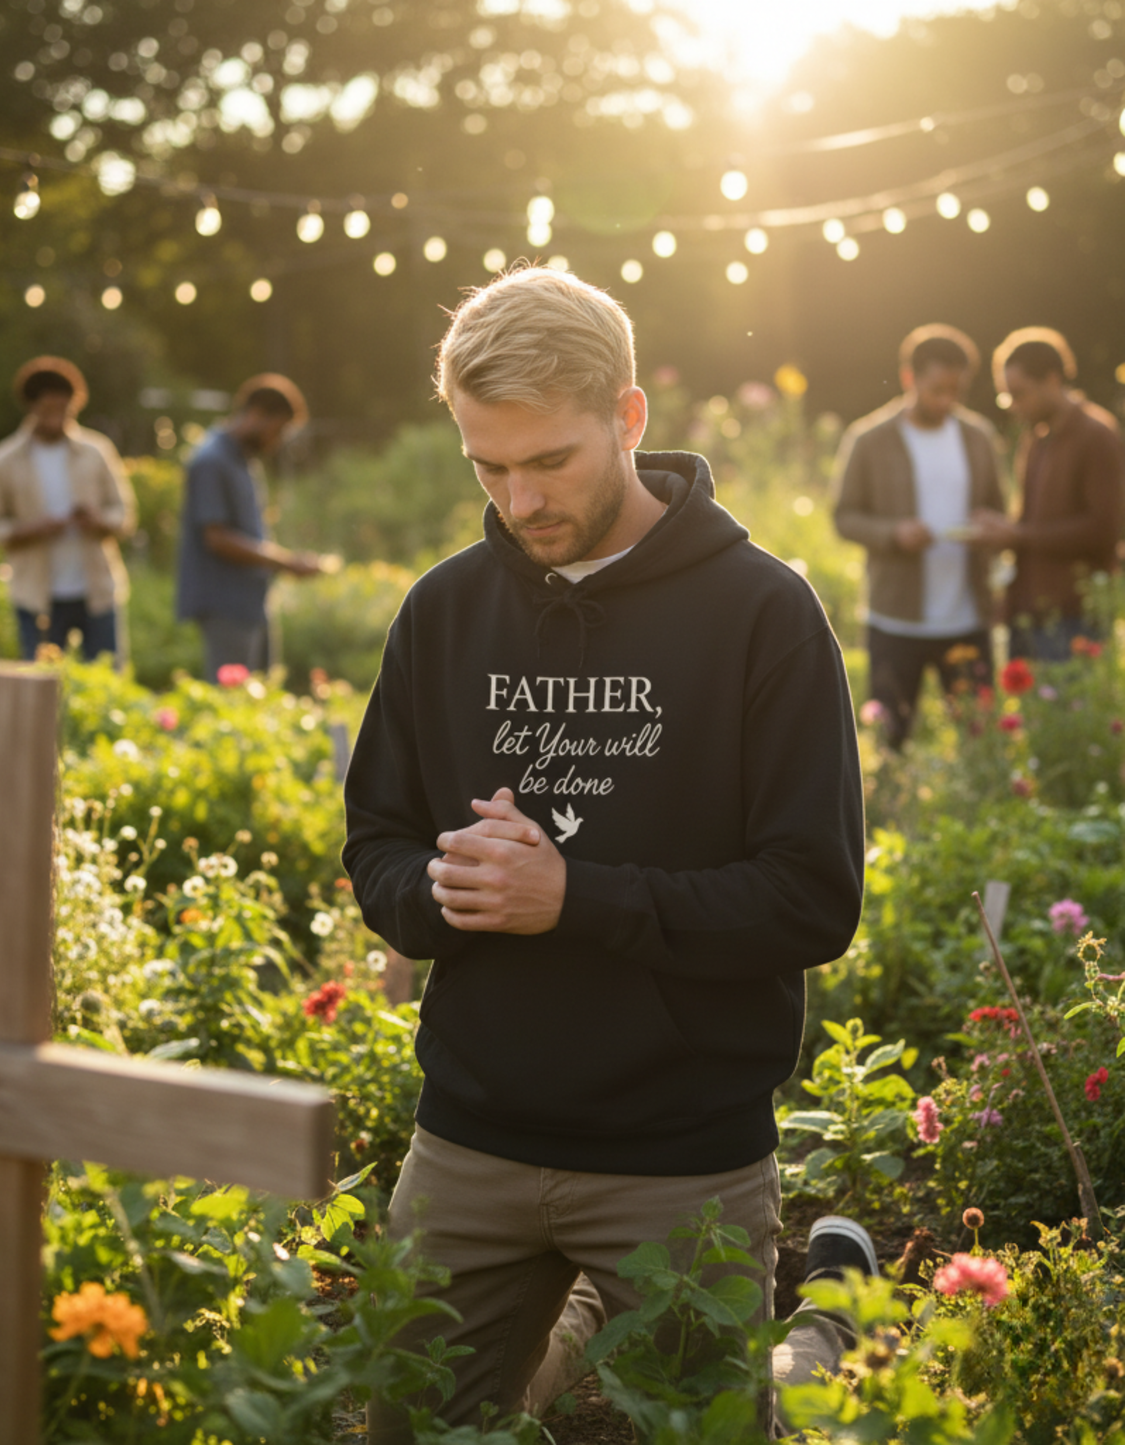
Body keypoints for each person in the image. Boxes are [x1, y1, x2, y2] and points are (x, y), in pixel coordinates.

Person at [341, 267, 868, 1441]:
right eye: (487, 466)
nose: (517, 500)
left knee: (707, 1429)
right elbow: (374, 837)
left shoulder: (761, 615)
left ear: (627, 418)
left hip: (676, 1156)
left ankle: (830, 1315)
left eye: (550, 460)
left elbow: (811, 898)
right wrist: (436, 891)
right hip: (469, 1135)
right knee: (408, 1427)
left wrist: (572, 896)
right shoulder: (441, 612)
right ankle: (582, 1324)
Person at [831, 325, 1004, 749]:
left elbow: (999, 510)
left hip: (967, 617)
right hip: (896, 619)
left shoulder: (978, 436)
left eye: (956, 390)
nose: (947, 399)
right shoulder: (869, 439)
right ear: (910, 378)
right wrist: (893, 534)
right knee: (891, 741)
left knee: (980, 743)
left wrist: (989, 527)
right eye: (937, 389)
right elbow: (843, 516)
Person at [971, 328, 1125, 660]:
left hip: (1073, 617)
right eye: (1006, 396)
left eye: (1019, 393)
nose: (1013, 405)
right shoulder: (1037, 437)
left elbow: (1103, 531)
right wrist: (1004, 530)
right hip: (1028, 612)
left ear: (1052, 380)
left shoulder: (1096, 435)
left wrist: (1017, 535)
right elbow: (1032, 523)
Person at [0, 356, 136, 664]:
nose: (57, 416)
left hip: (97, 590)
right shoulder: (4, 460)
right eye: (49, 408)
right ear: (32, 406)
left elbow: (124, 514)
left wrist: (98, 521)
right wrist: (33, 529)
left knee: (106, 683)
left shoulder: (96, 452)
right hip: (36, 595)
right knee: (41, 689)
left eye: (64, 408)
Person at [176, 373, 326, 681]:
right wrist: (284, 562)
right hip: (225, 604)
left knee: (259, 698)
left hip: (250, 600)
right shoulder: (211, 461)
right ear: (257, 415)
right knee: (232, 702)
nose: (278, 439)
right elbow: (216, 538)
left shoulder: (242, 460)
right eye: (279, 429)